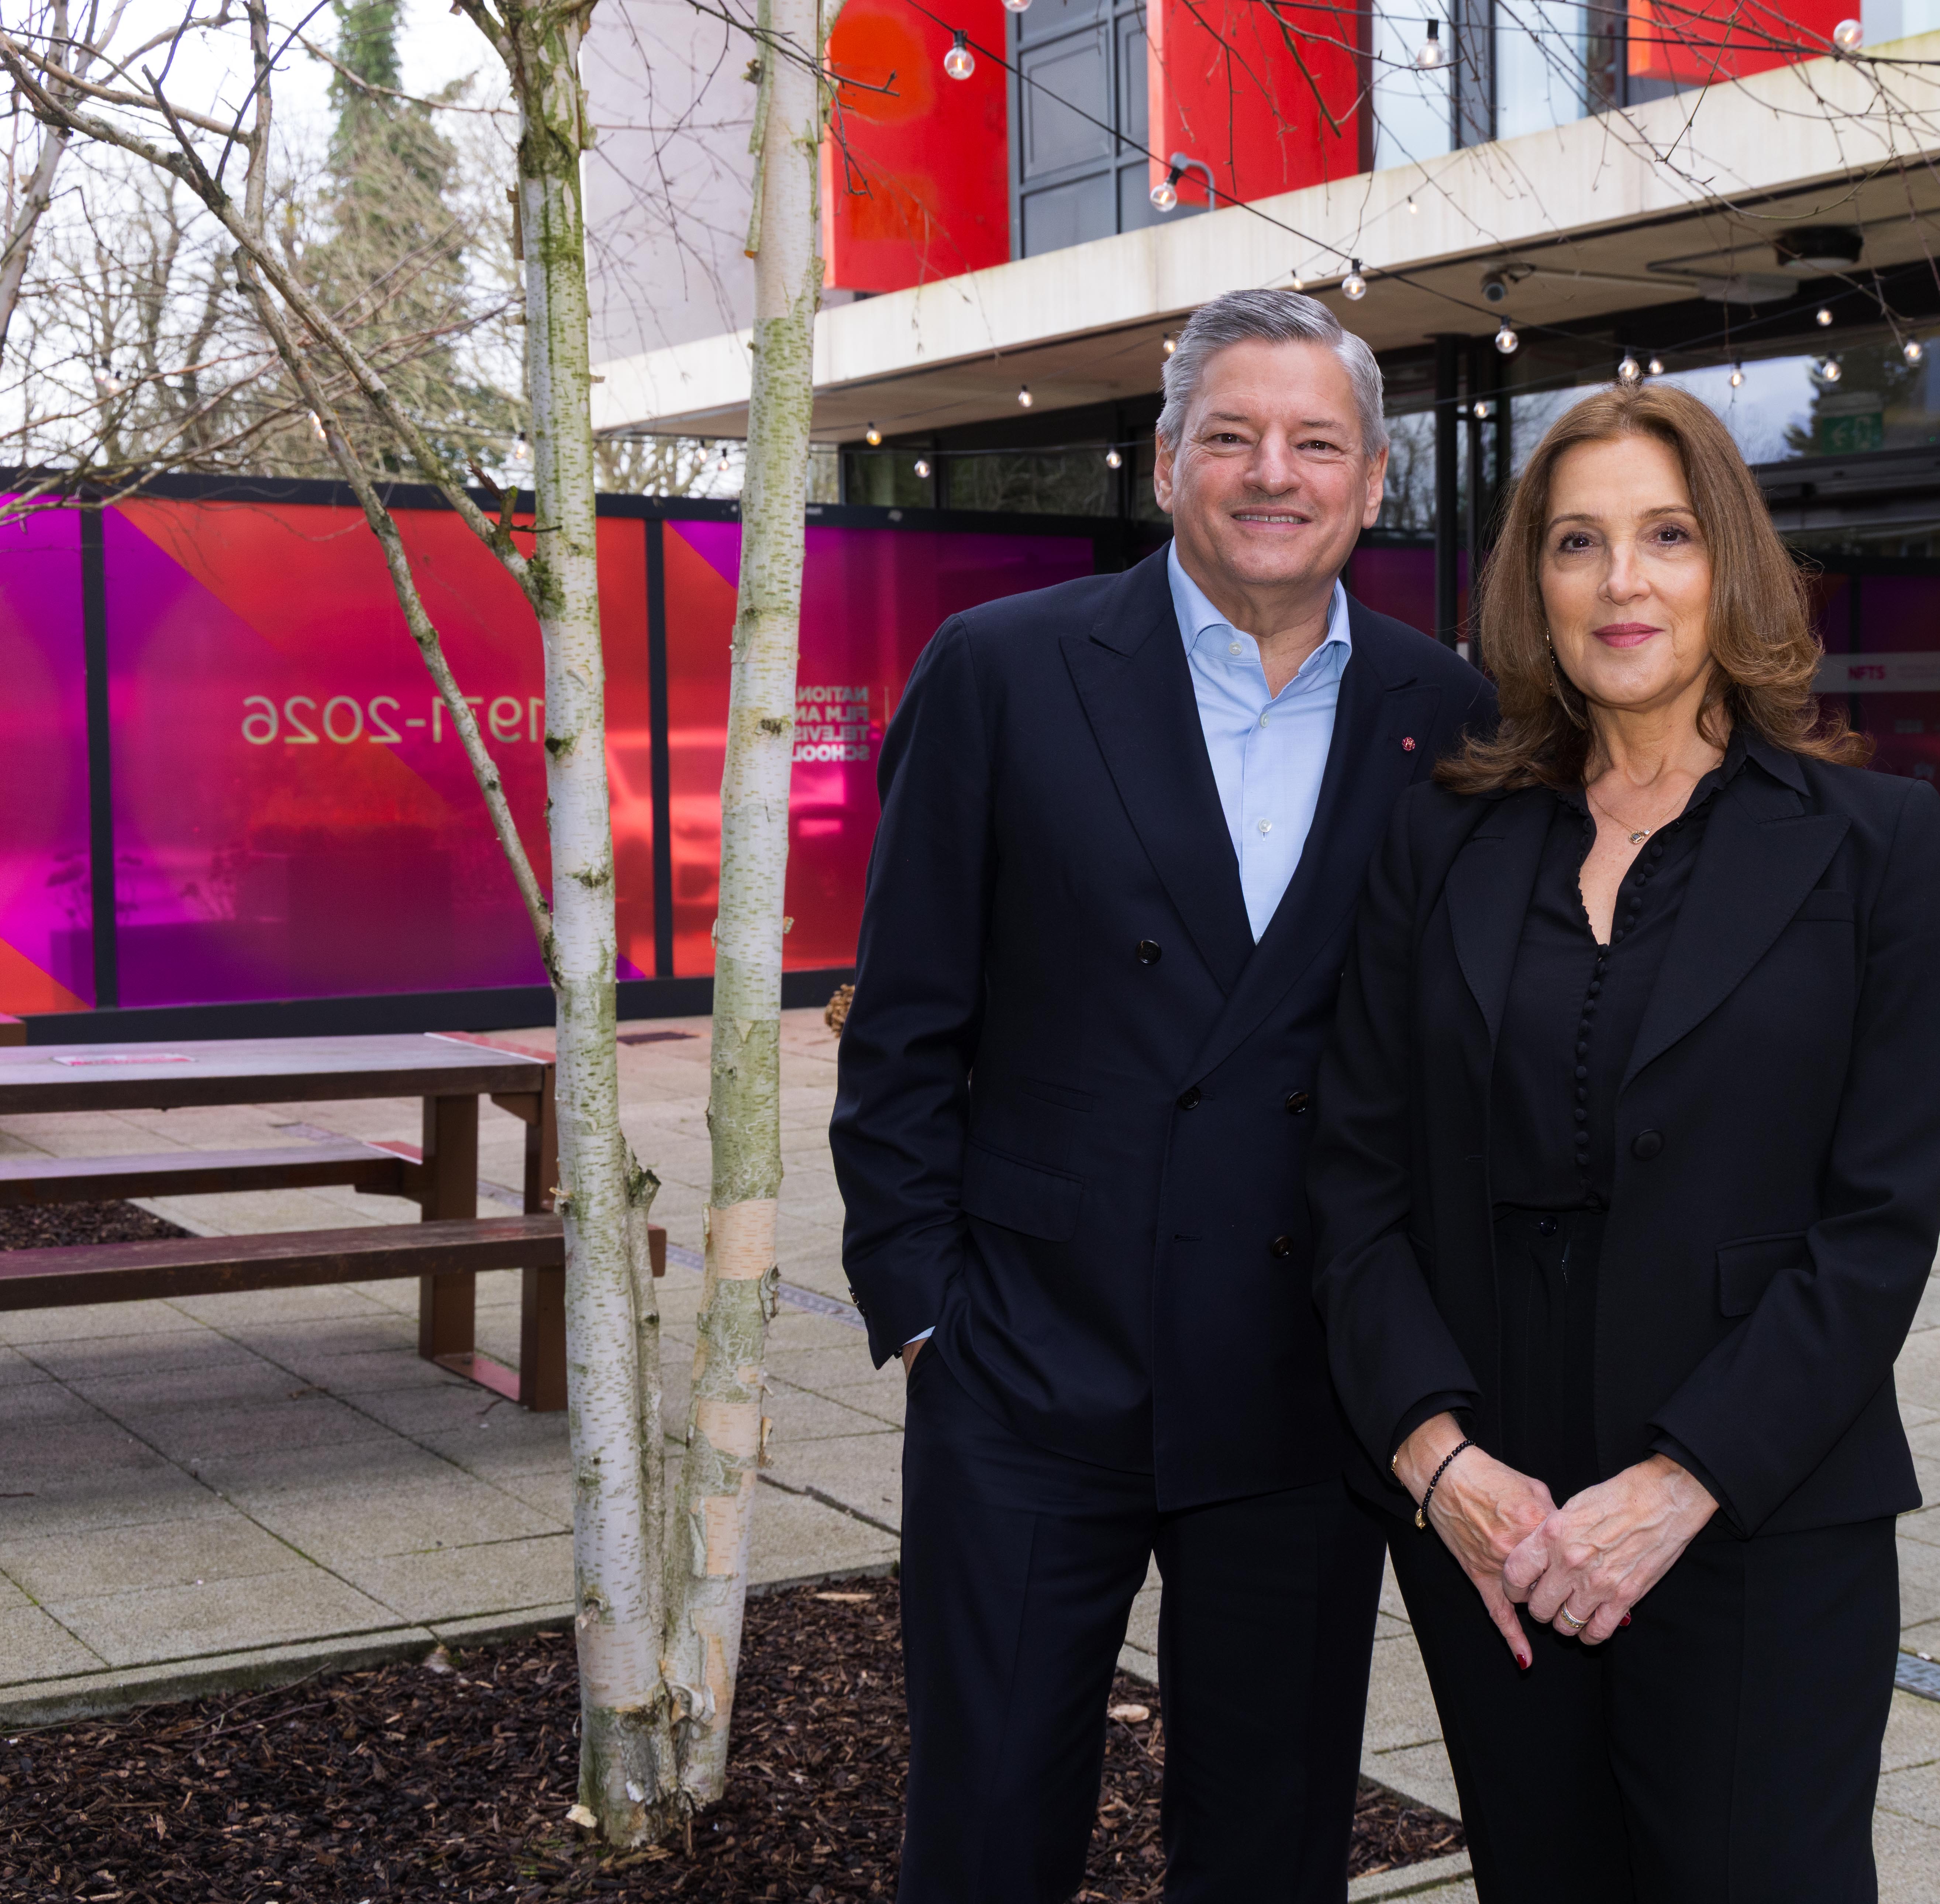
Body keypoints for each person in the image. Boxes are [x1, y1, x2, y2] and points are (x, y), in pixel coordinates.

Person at [831, 288, 1494, 1903]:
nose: (1273, 472)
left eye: (1314, 442)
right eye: (1233, 436)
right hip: (1028, 1366)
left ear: (1372, 481)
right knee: (986, 1830)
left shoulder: (1449, 714)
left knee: (1269, 1848)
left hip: (1298, 1378)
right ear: (1164, 460)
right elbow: (904, 1021)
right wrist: (926, 1314)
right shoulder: (1003, 669)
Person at [1307, 381, 1940, 1901]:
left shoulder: (1865, 845)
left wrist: (1678, 1485)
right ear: (1529, 586)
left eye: (1665, 536)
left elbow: (1876, 1228)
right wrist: (1436, 1460)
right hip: (1498, 1519)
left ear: (1727, 564)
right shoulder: (1439, 835)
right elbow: (1351, 1176)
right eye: (1578, 543)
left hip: (1754, 1500)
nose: (1623, 583)